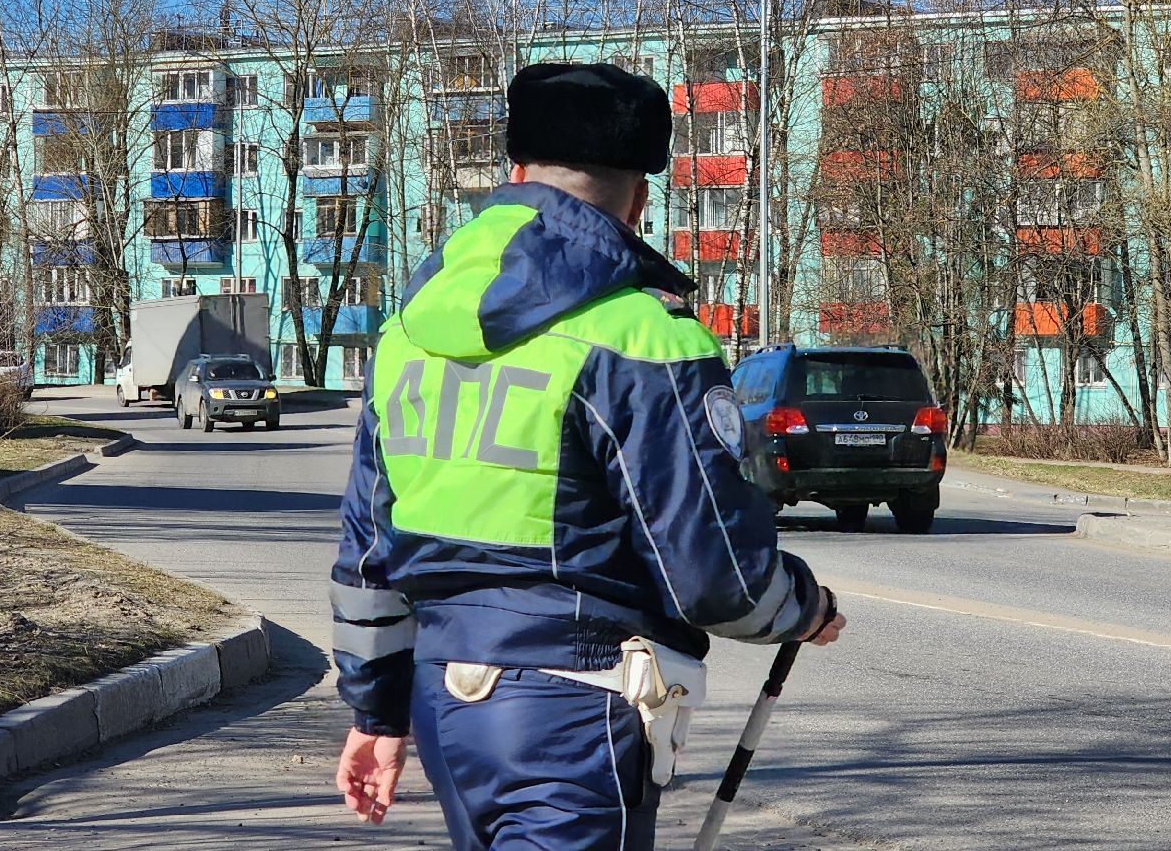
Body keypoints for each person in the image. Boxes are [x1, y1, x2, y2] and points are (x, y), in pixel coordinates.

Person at [329, 61, 846, 849]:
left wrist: (377, 712)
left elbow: (368, 556)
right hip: (578, 708)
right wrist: (801, 608)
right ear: (640, 196)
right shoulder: (642, 336)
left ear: (513, 174)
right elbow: (717, 577)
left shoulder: (406, 333)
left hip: (445, 709)